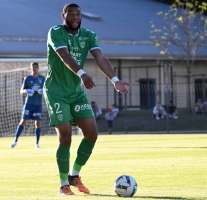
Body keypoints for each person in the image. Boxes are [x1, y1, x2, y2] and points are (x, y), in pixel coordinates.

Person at [43, 3, 131, 196]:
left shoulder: (89, 35)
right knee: (65, 136)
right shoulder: (55, 32)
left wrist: (115, 80)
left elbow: (100, 57)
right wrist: (83, 74)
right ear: (63, 15)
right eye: (71, 14)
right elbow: (64, 55)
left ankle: (75, 175)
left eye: (78, 14)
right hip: (56, 91)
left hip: (76, 91)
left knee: (91, 133)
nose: (75, 17)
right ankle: (63, 184)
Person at [10, 62, 45, 149]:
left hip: (38, 104)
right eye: (33, 68)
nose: (35, 69)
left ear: (38, 68)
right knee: (23, 121)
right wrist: (26, 91)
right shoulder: (27, 79)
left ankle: (37, 143)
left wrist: (43, 91)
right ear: (31, 68)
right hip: (29, 103)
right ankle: (15, 140)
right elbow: (21, 91)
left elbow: (47, 89)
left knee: (37, 122)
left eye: (36, 67)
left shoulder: (42, 79)